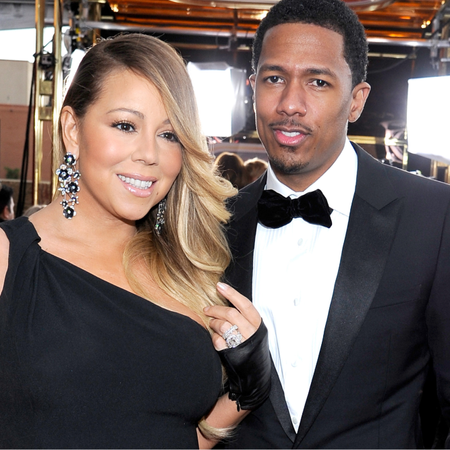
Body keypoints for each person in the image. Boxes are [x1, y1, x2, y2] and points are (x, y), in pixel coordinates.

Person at [0, 34, 271, 449]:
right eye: (125, 125)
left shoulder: (187, 271)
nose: (150, 154)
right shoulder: (8, 260)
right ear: (73, 129)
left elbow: (178, 436)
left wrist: (246, 389)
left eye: (170, 135)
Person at [220, 0, 450, 447]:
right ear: (252, 89)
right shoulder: (212, 224)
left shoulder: (433, 217)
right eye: (274, 79)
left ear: (356, 100)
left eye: (318, 82)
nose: (290, 104)